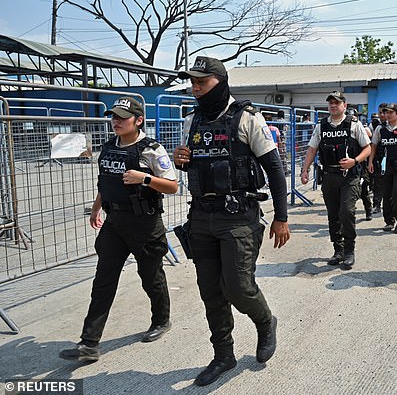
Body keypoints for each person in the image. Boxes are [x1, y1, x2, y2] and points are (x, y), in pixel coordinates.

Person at [173, 56, 291, 386]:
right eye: (193, 83)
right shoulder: (191, 121)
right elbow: (193, 165)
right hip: (201, 218)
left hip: (239, 218)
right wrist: (181, 161)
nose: (195, 88)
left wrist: (281, 218)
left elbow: (276, 171)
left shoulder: (248, 118)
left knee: (238, 287)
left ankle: (266, 322)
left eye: (202, 82)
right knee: (210, 291)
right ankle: (223, 355)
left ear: (220, 82)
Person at [59, 97, 178, 363]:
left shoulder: (152, 149)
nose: (116, 121)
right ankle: (89, 343)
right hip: (114, 224)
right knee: (103, 281)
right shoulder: (110, 146)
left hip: (144, 225)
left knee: (151, 277)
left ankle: (162, 320)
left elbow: (173, 186)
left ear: (138, 120)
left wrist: (144, 178)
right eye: (114, 116)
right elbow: (106, 181)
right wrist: (96, 207)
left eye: (123, 117)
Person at [301, 91, 371, 269]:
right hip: (330, 176)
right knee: (333, 215)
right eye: (330, 103)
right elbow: (312, 149)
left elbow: (367, 149)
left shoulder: (354, 125)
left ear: (344, 106)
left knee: (346, 212)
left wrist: (354, 161)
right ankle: (338, 250)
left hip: (350, 176)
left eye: (337, 103)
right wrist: (305, 169)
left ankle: (349, 251)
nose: (333, 105)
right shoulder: (322, 126)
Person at [368, 103, 397, 234]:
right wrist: (370, 162)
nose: (387, 115)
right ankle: (389, 221)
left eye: (390, 113)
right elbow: (374, 146)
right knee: (386, 194)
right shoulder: (380, 129)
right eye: (385, 112)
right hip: (384, 166)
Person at [347, 107, 373, 221]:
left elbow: (369, 133)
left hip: (359, 164)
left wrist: (356, 123)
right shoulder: (343, 128)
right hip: (346, 166)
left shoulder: (359, 126)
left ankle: (369, 210)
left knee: (363, 190)